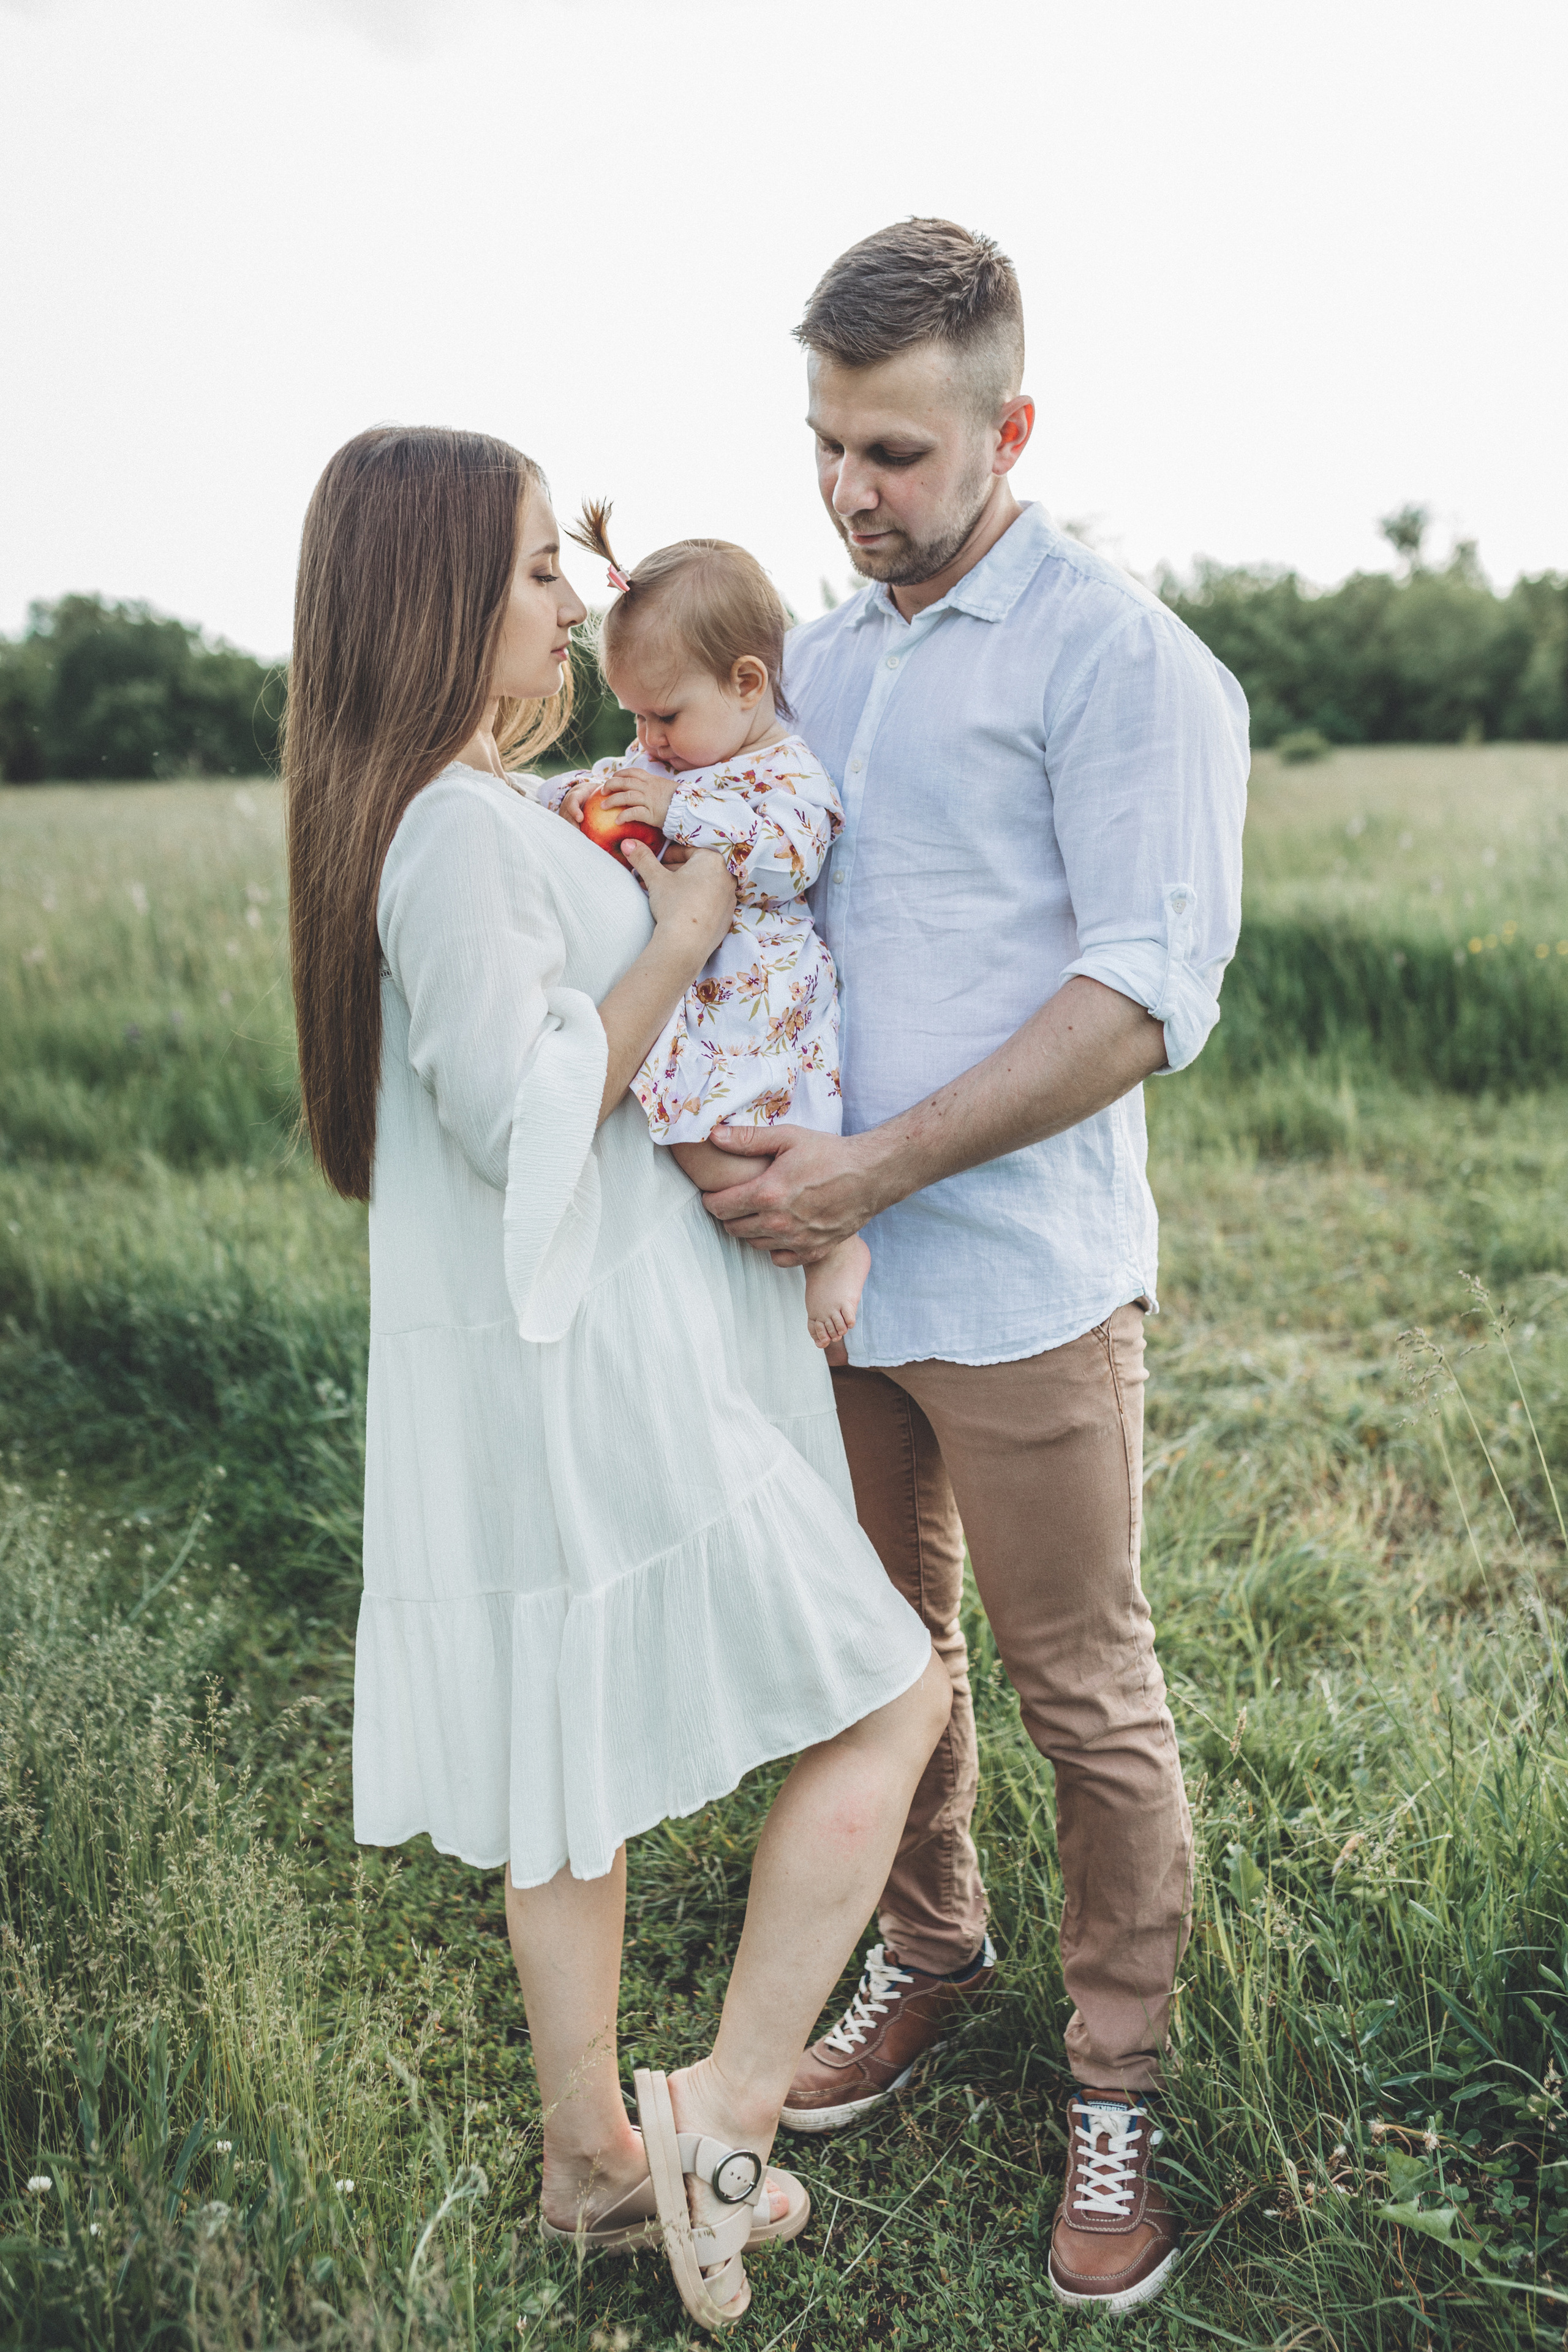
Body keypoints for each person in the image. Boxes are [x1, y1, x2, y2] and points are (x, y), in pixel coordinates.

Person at [283, 426, 951, 2334]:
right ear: (433, 604)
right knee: (895, 1695)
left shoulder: (465, 812)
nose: (572, 600)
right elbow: (521, 1112)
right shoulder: (445, 829)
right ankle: (722, 2112)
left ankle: (592, 2166)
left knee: (570, 1766)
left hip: (586, 1348)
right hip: (611, 1367)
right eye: (530, 573)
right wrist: (677, 934)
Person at [698, 220, 1250, 2316]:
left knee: (1082, 1695)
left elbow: (1134, 998)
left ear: (1011, 429)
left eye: (901, 453)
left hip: (1023, 1284)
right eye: (830, 445)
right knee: (868, 1661)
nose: (853, 492)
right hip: (830, 1296)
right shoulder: (818, 659)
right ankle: (933, 1954)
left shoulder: (1127, 663)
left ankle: (1116, 2084)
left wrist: (871, 1170)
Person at [537, 499, 868, 1348]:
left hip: (766, 1012)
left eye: (666, 716)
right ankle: (771, 1274)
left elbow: (791, 855)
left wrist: (681, 809)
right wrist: (566, 796)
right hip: (702, 1012)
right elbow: (608, 782)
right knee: (690, 1141)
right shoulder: (664, 760)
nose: (648, 740)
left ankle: (835, 1247)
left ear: (747, 684)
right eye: (635, 718)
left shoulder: (784, 774)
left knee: (745, 1147)